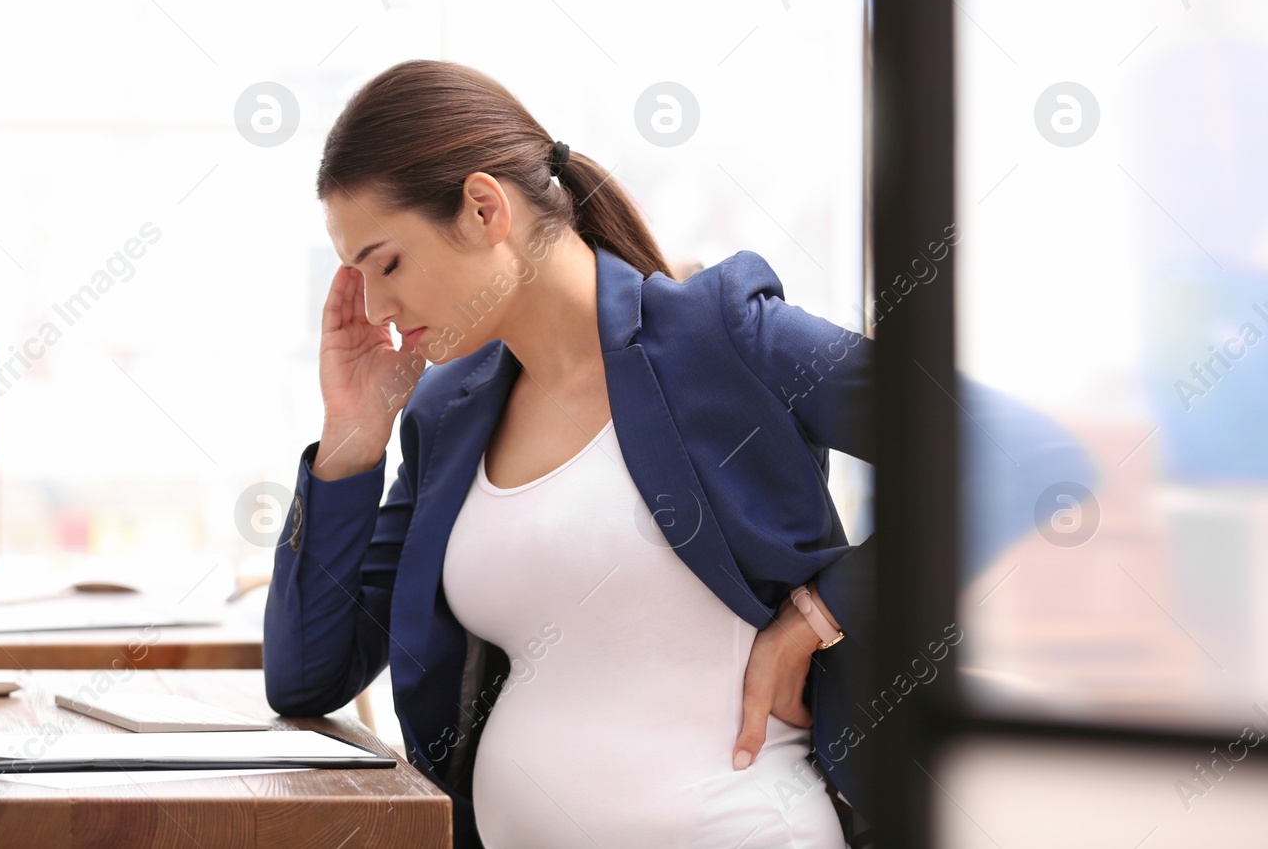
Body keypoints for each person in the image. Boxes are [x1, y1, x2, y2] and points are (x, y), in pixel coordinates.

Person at [263, 58, 886, 848]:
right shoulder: (447, 419)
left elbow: (996, 456)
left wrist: (820, 611)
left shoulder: (722, 337)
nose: (378, 308)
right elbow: (306, 677)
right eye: (355, 275)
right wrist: (353, 437)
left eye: (387, 263)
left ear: (485, 208)